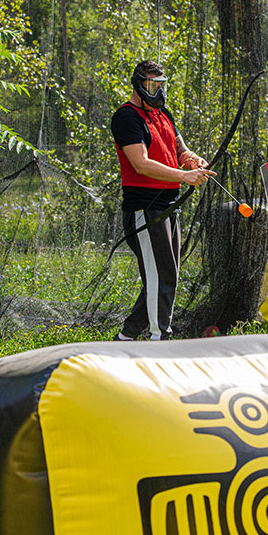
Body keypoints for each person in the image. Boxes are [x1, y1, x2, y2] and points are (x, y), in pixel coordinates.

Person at [110, 60, 215, 340]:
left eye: (160, 85)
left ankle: (126, 338)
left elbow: (180, 149)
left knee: (165, 276)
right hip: (145, 210)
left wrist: (192, 161)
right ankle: (160, 342)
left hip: (170, 206)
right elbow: (141, 164)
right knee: (162, 277)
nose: (157, 90)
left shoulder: (163, 113)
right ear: (138, 84)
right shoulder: (126, 117)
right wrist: (184, 176)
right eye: (151, 85)